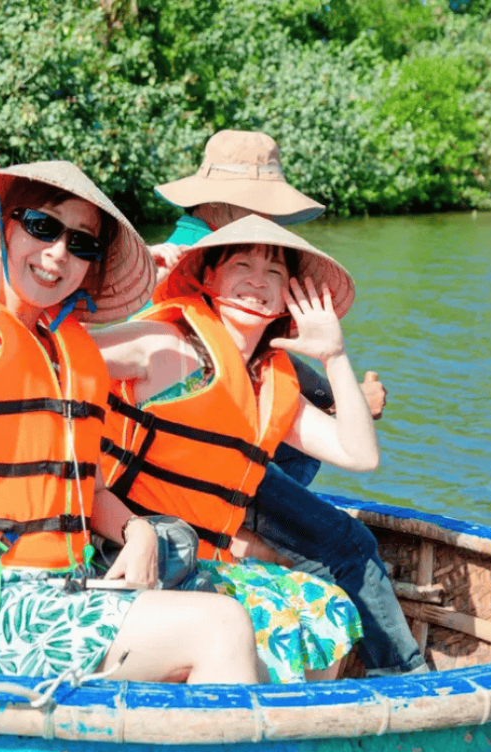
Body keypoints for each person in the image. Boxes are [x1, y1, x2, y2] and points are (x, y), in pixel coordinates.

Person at [0, 147, 259, 684]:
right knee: (220, 628)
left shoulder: (69, 356)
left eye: (80, 243)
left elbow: (84, 488)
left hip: (56, 587)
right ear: (0, 230)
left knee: (233, 621)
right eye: (42, 226)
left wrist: (137, 531)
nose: (58, 253)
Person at [150, 130, 423, 675]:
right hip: (184, 464)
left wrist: (336, 371)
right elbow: (206, 353)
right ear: (229, 208)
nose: (270, 230)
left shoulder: (211, 247)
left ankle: (253, 541)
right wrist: (348, 400)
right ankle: (405, 677)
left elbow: (264, 364)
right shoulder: (185, 259)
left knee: (307, 448)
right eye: (263, 210)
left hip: (218, 453)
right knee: (349, 545)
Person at [94, 216, 378, 683]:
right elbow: (55, 356)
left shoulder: (269, 380)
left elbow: (361, 455)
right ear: (208, 277)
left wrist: (335, 356)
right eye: (241, 264)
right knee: (261, 624)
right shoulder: (165, 345)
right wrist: (122, 292)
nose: (257, 282)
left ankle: (285, 730)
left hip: (202, 562)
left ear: (288, 293)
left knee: (327, 608)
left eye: (274, 274)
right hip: (123, 551)